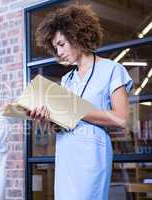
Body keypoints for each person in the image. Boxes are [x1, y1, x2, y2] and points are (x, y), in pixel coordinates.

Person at [30, 4, 133, 200]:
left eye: (61, 44)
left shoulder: (112, 69)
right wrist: (47, 119)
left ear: (76, 35)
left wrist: (75, 108)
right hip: (65, 151)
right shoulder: (66, 79)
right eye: (55, 47)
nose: (58, 52)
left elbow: (121, 119)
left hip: (92, 152)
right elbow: (62, 124)